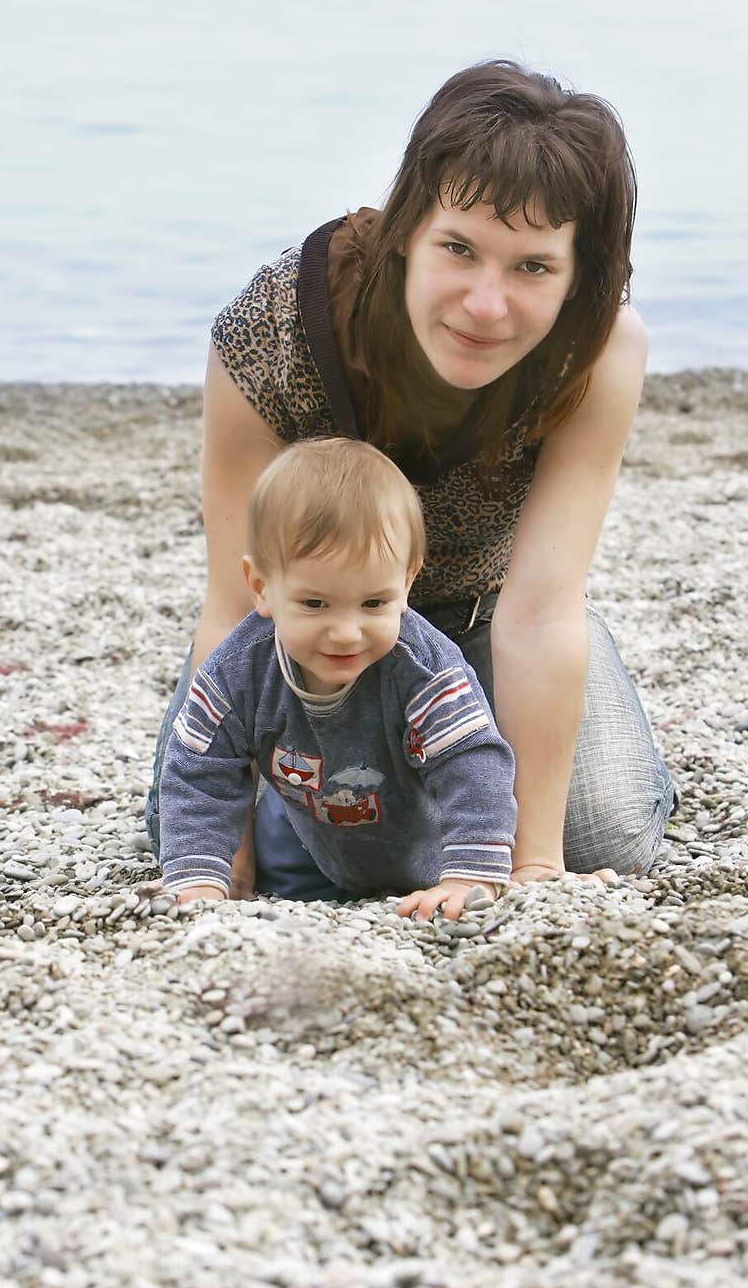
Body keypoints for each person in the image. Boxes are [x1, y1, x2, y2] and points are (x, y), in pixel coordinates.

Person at [146, 57, 675, 914]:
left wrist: (533, 871)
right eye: (458, 249)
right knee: (188, 837)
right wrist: (225, 867)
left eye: (534, 267)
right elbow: (234, 605)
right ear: (406, 231)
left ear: (578, 274)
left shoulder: (601, 350)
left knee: (599, 837)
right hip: (301, 624)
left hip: (485, 617)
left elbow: (541, 605)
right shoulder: (272, 328)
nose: (485, 304)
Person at [158, 437, 517, 918]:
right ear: (262, 588)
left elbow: (473, 762)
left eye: (374, 603)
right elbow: (200, 769)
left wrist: (469, 873)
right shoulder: (239, 669)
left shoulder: (425, 667)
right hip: (308, 838)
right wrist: (201, 880)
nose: (347, 633)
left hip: (423, 845)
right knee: (230, 838)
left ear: (407, 582)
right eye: (314, 604)